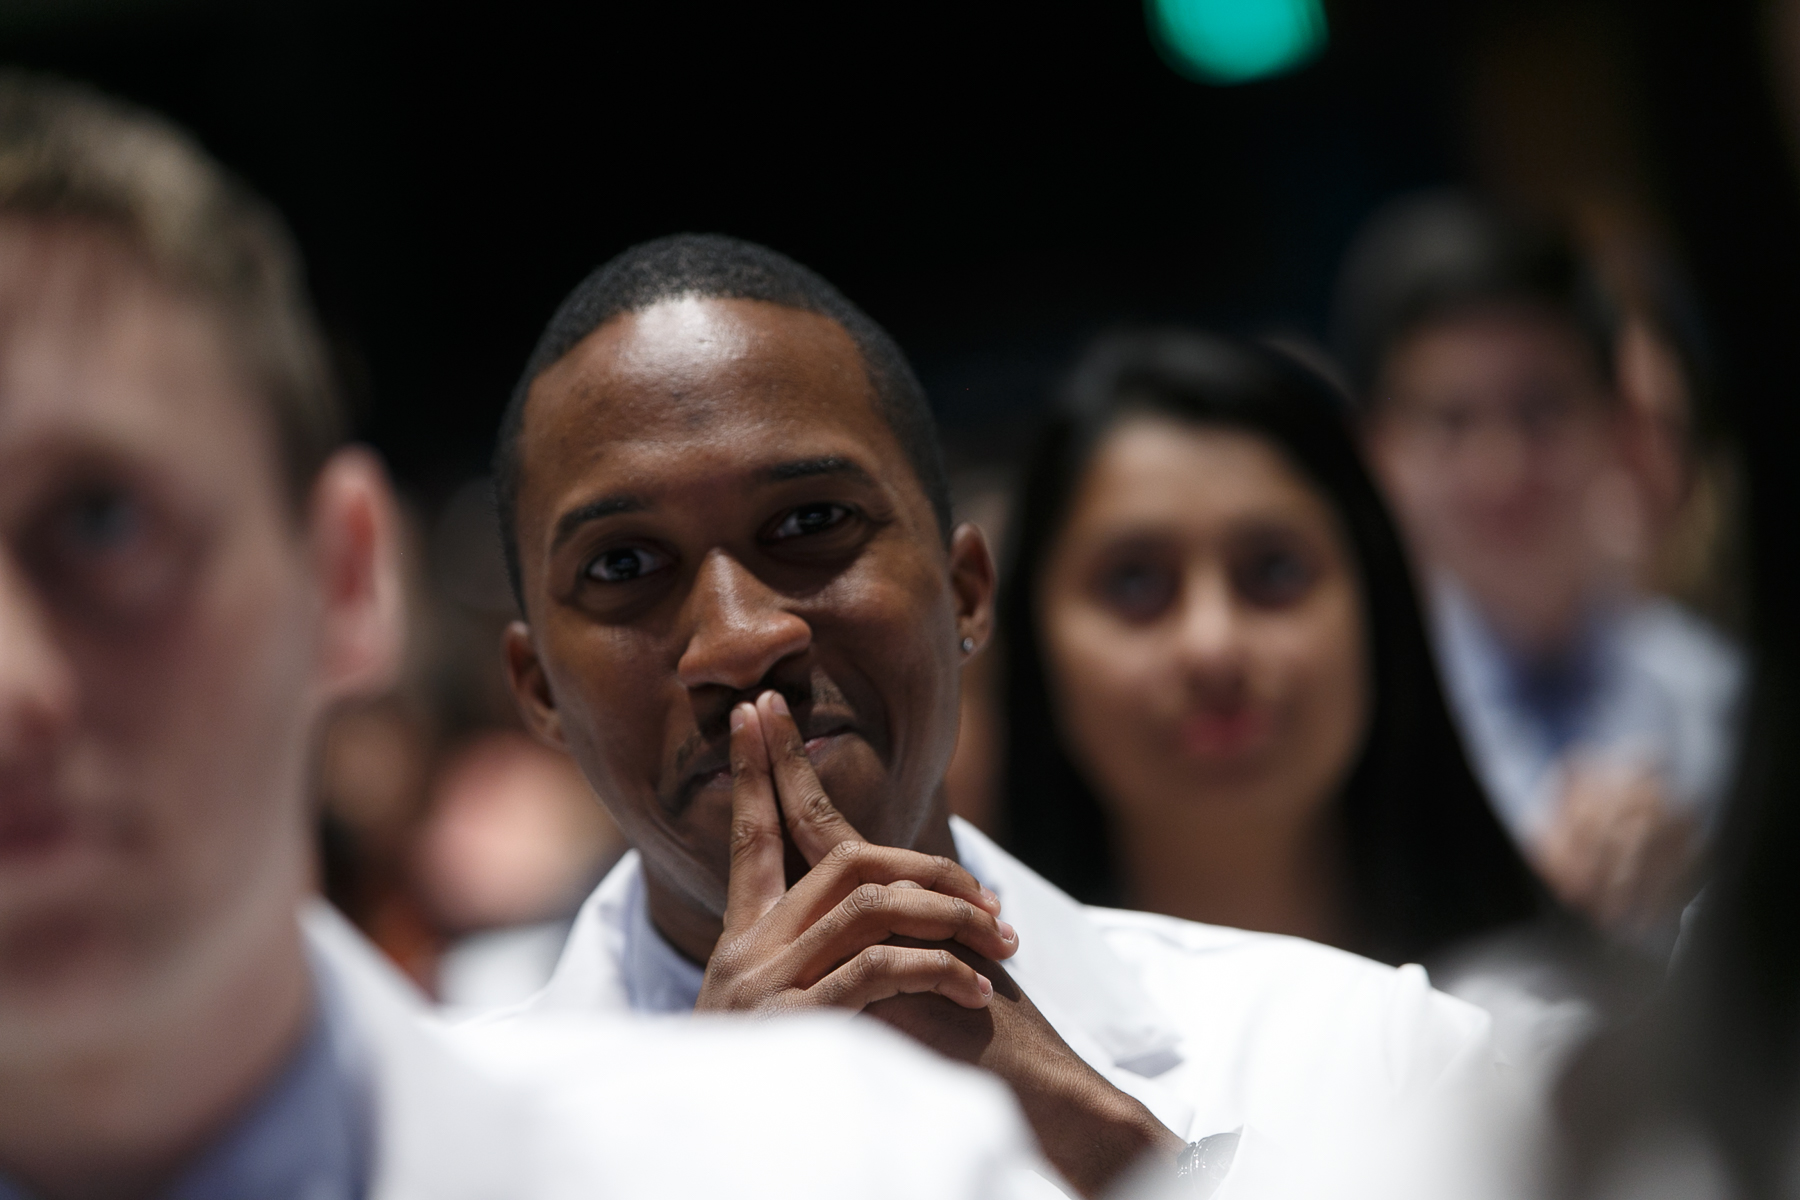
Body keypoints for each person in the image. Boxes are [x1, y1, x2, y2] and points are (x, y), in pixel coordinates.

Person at [0, 75, 1041, 1200]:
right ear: (530, 681)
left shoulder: (903, 1159)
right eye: (626, 567)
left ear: (344, 579)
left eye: (99, 523)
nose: (12, 682)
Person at [495, 232, 1497, 1198]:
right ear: (538, 687)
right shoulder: (427, 1139)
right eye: (623, 566)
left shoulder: (1374, 1053)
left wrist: (1104, 1142)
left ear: (966, 590)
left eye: (809, 524)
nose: (740, 638)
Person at [993, 328, 1549, 975]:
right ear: (1032, 636)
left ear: (1379, 600)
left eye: (1275, 571)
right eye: (1135, 582)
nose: (1214, 646)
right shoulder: (947, 1047)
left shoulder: (1558, 1029)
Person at [1332, 191, 1743, 943]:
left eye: (1541, 409)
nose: (1501, 471)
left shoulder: (1725, 698)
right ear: (1379, 449)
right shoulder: (1340, 729)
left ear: (1616, 425)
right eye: (1451, 421)